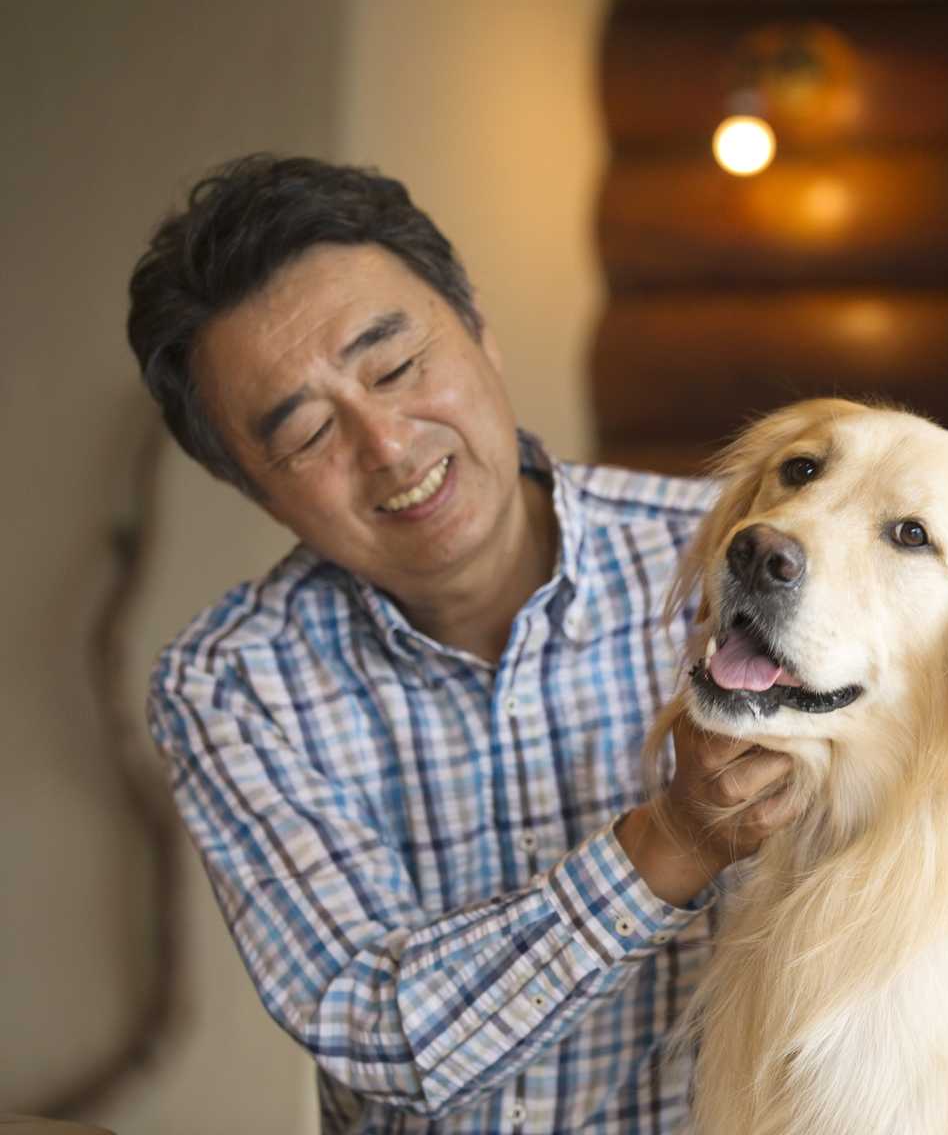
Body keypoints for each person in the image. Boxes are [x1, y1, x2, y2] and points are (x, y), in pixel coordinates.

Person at [126, 155, 797, 1133]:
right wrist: (674, 839)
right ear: (254, 488)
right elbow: (377, 1028)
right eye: (309, 430)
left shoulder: (725, 560)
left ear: (477, 323)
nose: (389, 445)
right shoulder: (235, 683)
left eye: (397, 368)